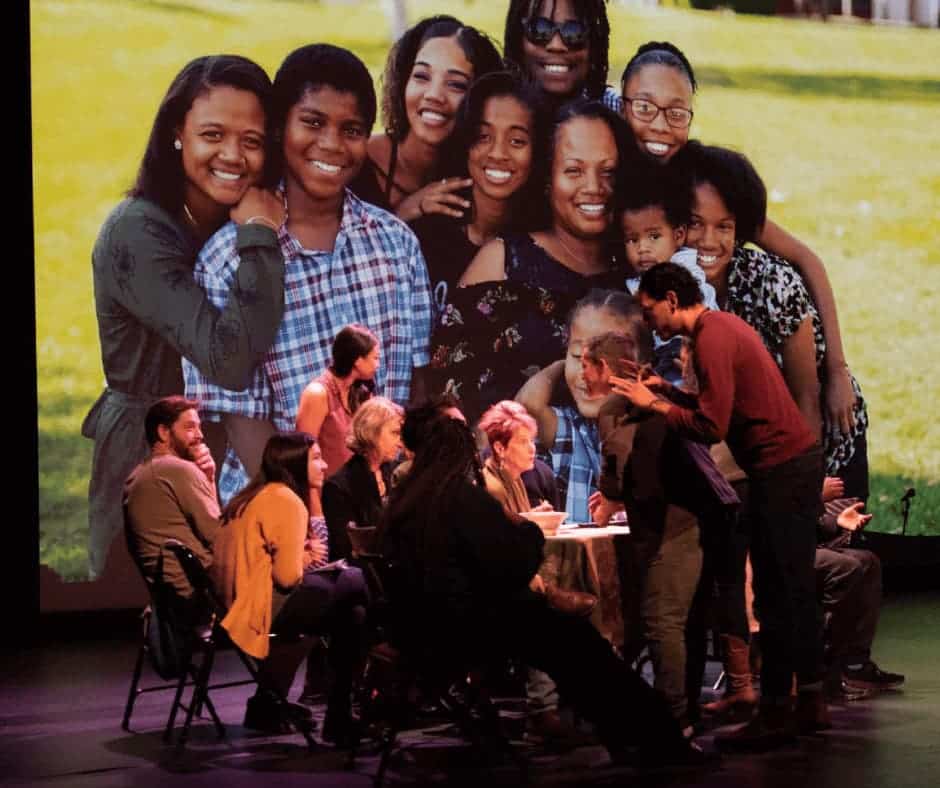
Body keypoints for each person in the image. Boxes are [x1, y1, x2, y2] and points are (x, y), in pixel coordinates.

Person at [183, 44, 432, 505]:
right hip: (278, 508)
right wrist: (313, 516)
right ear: (279, 128)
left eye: (352, 129)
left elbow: (415, 390)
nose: (332, 144)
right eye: (313, 123)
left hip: (387, 508)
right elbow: (242, 420)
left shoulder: (397, 247)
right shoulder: (225, 260)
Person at [379, 416, 706, 767]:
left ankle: (627, 734)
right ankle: (656, 738)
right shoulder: (459, 499)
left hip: (418, 633)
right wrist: (529, 533)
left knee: (568, 640)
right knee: (579, 643)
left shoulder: (404, 505)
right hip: (466, 631)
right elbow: (512, 564)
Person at [85, 55, 286, 578]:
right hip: (147, 452)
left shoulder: (225, 216)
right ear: (177, 131)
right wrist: (260, 235)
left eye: (252, 140)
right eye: (213, 134)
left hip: (218, 450)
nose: (232, 155)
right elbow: (228, 360)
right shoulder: (138, 233)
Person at [614, 262, 826, 751]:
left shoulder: (710, 337)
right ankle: (809, 700)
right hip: (787, 466)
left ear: (671, 298)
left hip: (782, 469)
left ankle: (777, 709)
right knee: (790, 588)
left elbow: (710, 426)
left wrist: (656, 408)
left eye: (649, 311)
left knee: (777, 592)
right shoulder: (721, 328)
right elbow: (714, 402)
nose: (650, 322)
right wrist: (666, 390)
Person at [618, 40, 859, 439]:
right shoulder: (614, 177)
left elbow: (805, 259)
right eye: (645, 107)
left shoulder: (709, 187)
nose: (660, 125)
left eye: (676, 112)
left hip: (788, 419)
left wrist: (837, 369)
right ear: (621, 103)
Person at [683, 141, 869, 499]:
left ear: (740, 230)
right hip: (741, 459)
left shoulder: (772, 284)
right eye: (695, 224)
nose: (708, 240)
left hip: (821, 450)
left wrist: (799, 498)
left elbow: (805, 398)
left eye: (723, 227)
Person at [434, 99, 628, 423]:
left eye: (608, 172)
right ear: (548, 178)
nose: (594, 188)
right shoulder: (504, 261)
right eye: (574, 171)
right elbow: (450, 391)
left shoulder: (635, 270)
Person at [211, 432, 370, 745]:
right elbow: (287, 578)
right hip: (258, 609)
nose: (325, 465)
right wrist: (306, 556)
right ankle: (341, 714)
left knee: (353, 611)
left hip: (233, 606)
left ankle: (272, 703)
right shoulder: (285, 500)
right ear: (295, 463)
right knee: (355, 585)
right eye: (316, 458)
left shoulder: (256, 494)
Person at [477, 399, 596, 747]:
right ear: (499, 448)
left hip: (512, 579)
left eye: (533, 441)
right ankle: (543, 710)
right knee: (548, 609)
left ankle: (572, 697)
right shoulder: (492, 487)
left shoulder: (513, 480)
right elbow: (500, 550)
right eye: (524, 443)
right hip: (494, 595)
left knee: (570, 589)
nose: (533, 449)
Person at [411, 69, 550, 317]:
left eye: (517, 141)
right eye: (483, 136)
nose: (497, 153)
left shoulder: (544, 248)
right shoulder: (426, 237)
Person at [349, 15, 502, 222]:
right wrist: (405, 211)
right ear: (403, 81)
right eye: (421, 76)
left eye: (456, 84)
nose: (434, 95)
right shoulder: (357, 161)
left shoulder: (478, 174)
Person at [515, 290, 637, 523]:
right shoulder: (574, 428)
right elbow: (529, 404)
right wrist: (566, 366)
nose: (585, 373)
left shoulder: (650, 425)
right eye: (577, 355)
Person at [618, 160, 718, 383]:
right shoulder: (637, 278)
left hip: (690, 347)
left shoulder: (681, 267)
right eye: (632, 239)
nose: (642, 248)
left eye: (654, 237)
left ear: (679, 235)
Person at [123, 396, 219, 611]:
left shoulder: (140, 474)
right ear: (164, 432)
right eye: (190, 428)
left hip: (175, 598)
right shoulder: (177, 470)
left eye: (199, 427)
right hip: (203, 594)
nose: (200, 435)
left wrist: (209, 478)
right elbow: (219, 536)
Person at [816, 500, 905, 698]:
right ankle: (826, 669)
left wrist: (836, 521)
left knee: (868, 561)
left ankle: (855, 663)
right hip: (781, 547)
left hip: (806, 542)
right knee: (845, 567)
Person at [321, 397, 404, 562]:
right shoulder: (339, 487)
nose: (401, 443)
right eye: (395, 433)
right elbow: (345, 551)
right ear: (371, 432)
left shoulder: (399, 472)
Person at [502, 0, 621, 113]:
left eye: (574, 31)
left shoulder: (623, 114)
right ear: (517, 38)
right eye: (539, 28)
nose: (556, 45)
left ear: (594, 43)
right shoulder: (494, 111)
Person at [295, 324, 379, 480]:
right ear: (358, 361)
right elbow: (303, 457)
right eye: (375, 358)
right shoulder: (318, 394)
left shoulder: (361, 392)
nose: (378, 365)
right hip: (330, 494)